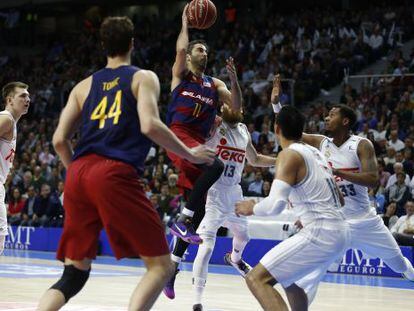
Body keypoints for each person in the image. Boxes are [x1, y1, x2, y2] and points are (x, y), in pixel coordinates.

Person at [37, 16, 215, 311]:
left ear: (103, 45)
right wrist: (190, 154)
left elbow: (59, 140)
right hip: (113, 172)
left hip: (79, 173)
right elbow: (149, 125)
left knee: (73, 275)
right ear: (132, 43)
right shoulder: (142, 77)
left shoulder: (83, 86)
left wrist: (78, 175)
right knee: (161, 267)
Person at [282, 99, 414, 303]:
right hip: (334, 222)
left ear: (345, 121)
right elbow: (290, 132)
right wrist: (276, 105)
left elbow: (372, 180)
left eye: (332, 114)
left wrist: (336, 171)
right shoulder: (320, 142)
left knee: (398, 263)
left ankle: (409, 272)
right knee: (312, 274)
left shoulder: (361, 145)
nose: (326, 117)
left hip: (364, 221)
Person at [163, 4, 243, 298]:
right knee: (216, 166)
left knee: (195, 210)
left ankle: (171, 268)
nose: (204, 54)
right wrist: (185, 24)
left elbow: (236, 108)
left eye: (206, 51)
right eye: (199, 50)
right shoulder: (181, 75)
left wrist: (234, 79)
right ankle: (181, 220)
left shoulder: (214, 84)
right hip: (179, 136)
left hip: (198, 142)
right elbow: (180, 50)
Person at [235, 105, 348, 311]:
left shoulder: (289, 155)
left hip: (322, 231)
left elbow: (275, 206)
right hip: (339, 230)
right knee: (288, 280)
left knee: (256, 279)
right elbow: (339, 199)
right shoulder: (315, 153)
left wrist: (251, 206)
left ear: (276, 129)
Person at [192, 104, 276, 311]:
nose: (230, 105)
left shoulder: (244, 130)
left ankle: (235, 259)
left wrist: (279, 161)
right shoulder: (214, 125)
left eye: (235, 104)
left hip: (235, 193)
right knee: (206, 247)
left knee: (243, 236)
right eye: (226, 103)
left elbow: (255, 159)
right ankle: (196, 301)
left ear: (242, 111)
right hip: (215, 193)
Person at [0, 81, 30, 255]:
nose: (28, 99)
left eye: (28, 96)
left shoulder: (11, 122)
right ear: (9, 100)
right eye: (23, 96)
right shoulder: (6, 119)